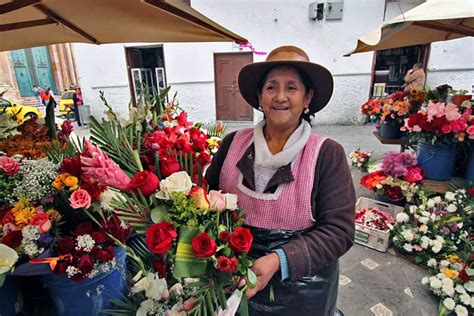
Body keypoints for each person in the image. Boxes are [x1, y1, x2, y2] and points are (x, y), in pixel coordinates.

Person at [205, 46, 356, 315]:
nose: (280, 97)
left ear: (308, 97)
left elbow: (339, 231)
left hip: (302, 292)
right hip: (234, 280)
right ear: (260, 97)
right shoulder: (232, 145)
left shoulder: (326, 154)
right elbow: (206, 203)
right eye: (271, 87)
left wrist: (279, 259)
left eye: (292, 88)